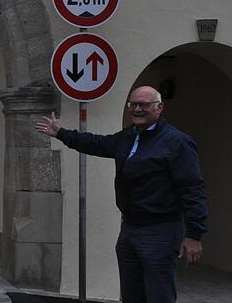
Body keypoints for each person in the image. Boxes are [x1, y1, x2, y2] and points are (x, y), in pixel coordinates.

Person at [35, 86, 207, 303]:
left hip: (160, 232)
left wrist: (194, 234)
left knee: (158, 294)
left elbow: (192, 188)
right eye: (133, 104)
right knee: (131, 293)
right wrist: (61, 133)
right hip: (130, 229)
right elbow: (98, 144)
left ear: (159, 108)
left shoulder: (177, 142)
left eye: (144, 105)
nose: (137, 109)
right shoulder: (129, 136)